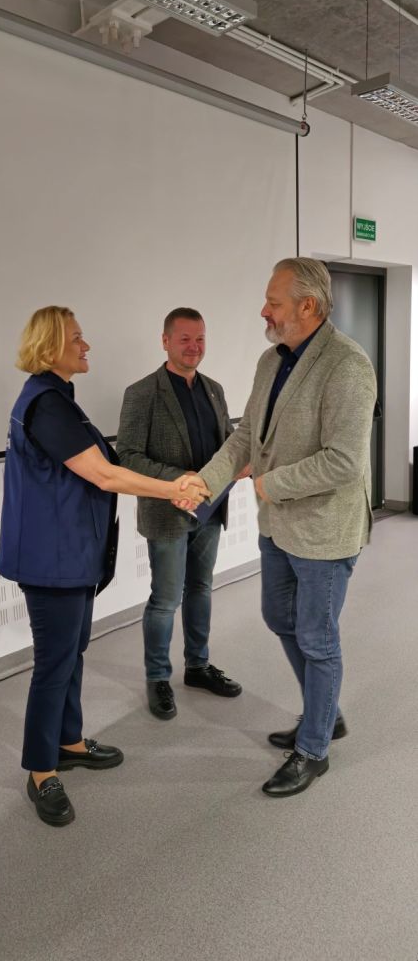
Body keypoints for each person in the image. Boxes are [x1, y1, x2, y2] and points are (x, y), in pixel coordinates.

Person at [0, 306, 208, 827]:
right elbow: (106, 476)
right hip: (52, 561)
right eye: (76, 338)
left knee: (72, 654)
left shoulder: (59, 399)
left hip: (70, 556)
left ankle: (68, 741)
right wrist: (173, 488)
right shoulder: (46, 405)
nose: (86, 345)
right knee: (54, 664)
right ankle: (41, 771)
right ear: (51, 347)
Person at [181, 259, 376, 797]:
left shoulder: (348, 365)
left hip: (324, 530)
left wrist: (270, 483)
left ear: (308, 306)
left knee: (317, 638)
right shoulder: (271, 361)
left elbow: (344, 462)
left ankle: (313, 749)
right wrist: (205, 481)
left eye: (274, 302)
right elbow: (246, 437)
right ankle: (325, 711)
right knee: (277, 615)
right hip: (279, 526)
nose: (263, 311)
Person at [116, 308, 246, 720]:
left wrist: (242, 464)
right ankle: (158, 678)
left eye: (200, 339)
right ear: (166, 341)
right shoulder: (142, 393)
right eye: (185, 339)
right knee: (166, 599)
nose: (194, 347)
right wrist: (179, 480)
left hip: (209, 511)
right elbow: (127, 456)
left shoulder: (215, 390)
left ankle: (197, 666)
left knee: (201, 589)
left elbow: (228, 445)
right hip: (167, 514)